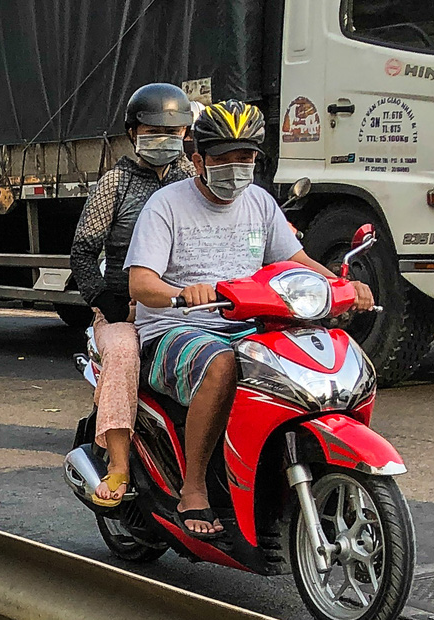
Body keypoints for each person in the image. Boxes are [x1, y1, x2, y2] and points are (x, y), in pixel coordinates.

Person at [126, 100, 374, 538]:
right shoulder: (166, 205)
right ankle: (195, 487)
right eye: (224, 158)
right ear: (198, 159)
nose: (236, 168)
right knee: (222, 363)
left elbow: (293, 259)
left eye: (246, 157)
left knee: (319, 354)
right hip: (176, 326)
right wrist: (182, 294)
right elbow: (141, 284)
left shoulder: (258, 201)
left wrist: (342, 285)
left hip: (249, 321)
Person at [68, 82, 196, 507]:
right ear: (132, 132)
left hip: (184, 305)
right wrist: (102, 300)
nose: (166, 139)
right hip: (124, 311)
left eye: (175, 131)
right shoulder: (114, 183)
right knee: (123, 354)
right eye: (154, 130)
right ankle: (119, 463)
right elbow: (84, 249)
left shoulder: (193, 179)